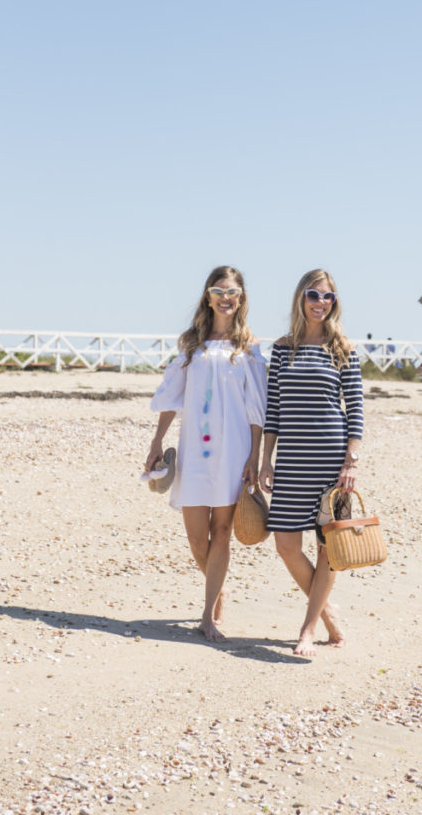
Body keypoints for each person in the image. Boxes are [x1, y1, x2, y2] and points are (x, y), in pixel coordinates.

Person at [144, 266, 267, 642]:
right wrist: (155, 441)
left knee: (223, 530)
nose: (225, 298)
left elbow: (256, 408)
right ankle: (219, 588)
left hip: (234, 450)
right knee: (198, 538)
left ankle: (207, 613)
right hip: (196, 449)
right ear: (208, 296)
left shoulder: (249, 346)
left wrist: (255, 459)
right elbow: (170, 396)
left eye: (232, 292)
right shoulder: (191, 343)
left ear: (241, 298)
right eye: (218, 291)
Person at [259, 269, 364, 656]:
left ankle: (308, 629)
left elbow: (355, 410)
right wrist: (264, 461)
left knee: (327, 549)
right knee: (286, 545)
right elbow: (274, 411)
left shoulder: (343, 349)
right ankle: (330, 617)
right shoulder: (283, 348)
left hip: (330, 461)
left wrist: (351, 462)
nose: (320, 303)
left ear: (335, 303)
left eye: (328, 297)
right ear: (300, 299)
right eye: (313, 295)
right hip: (290, 462)